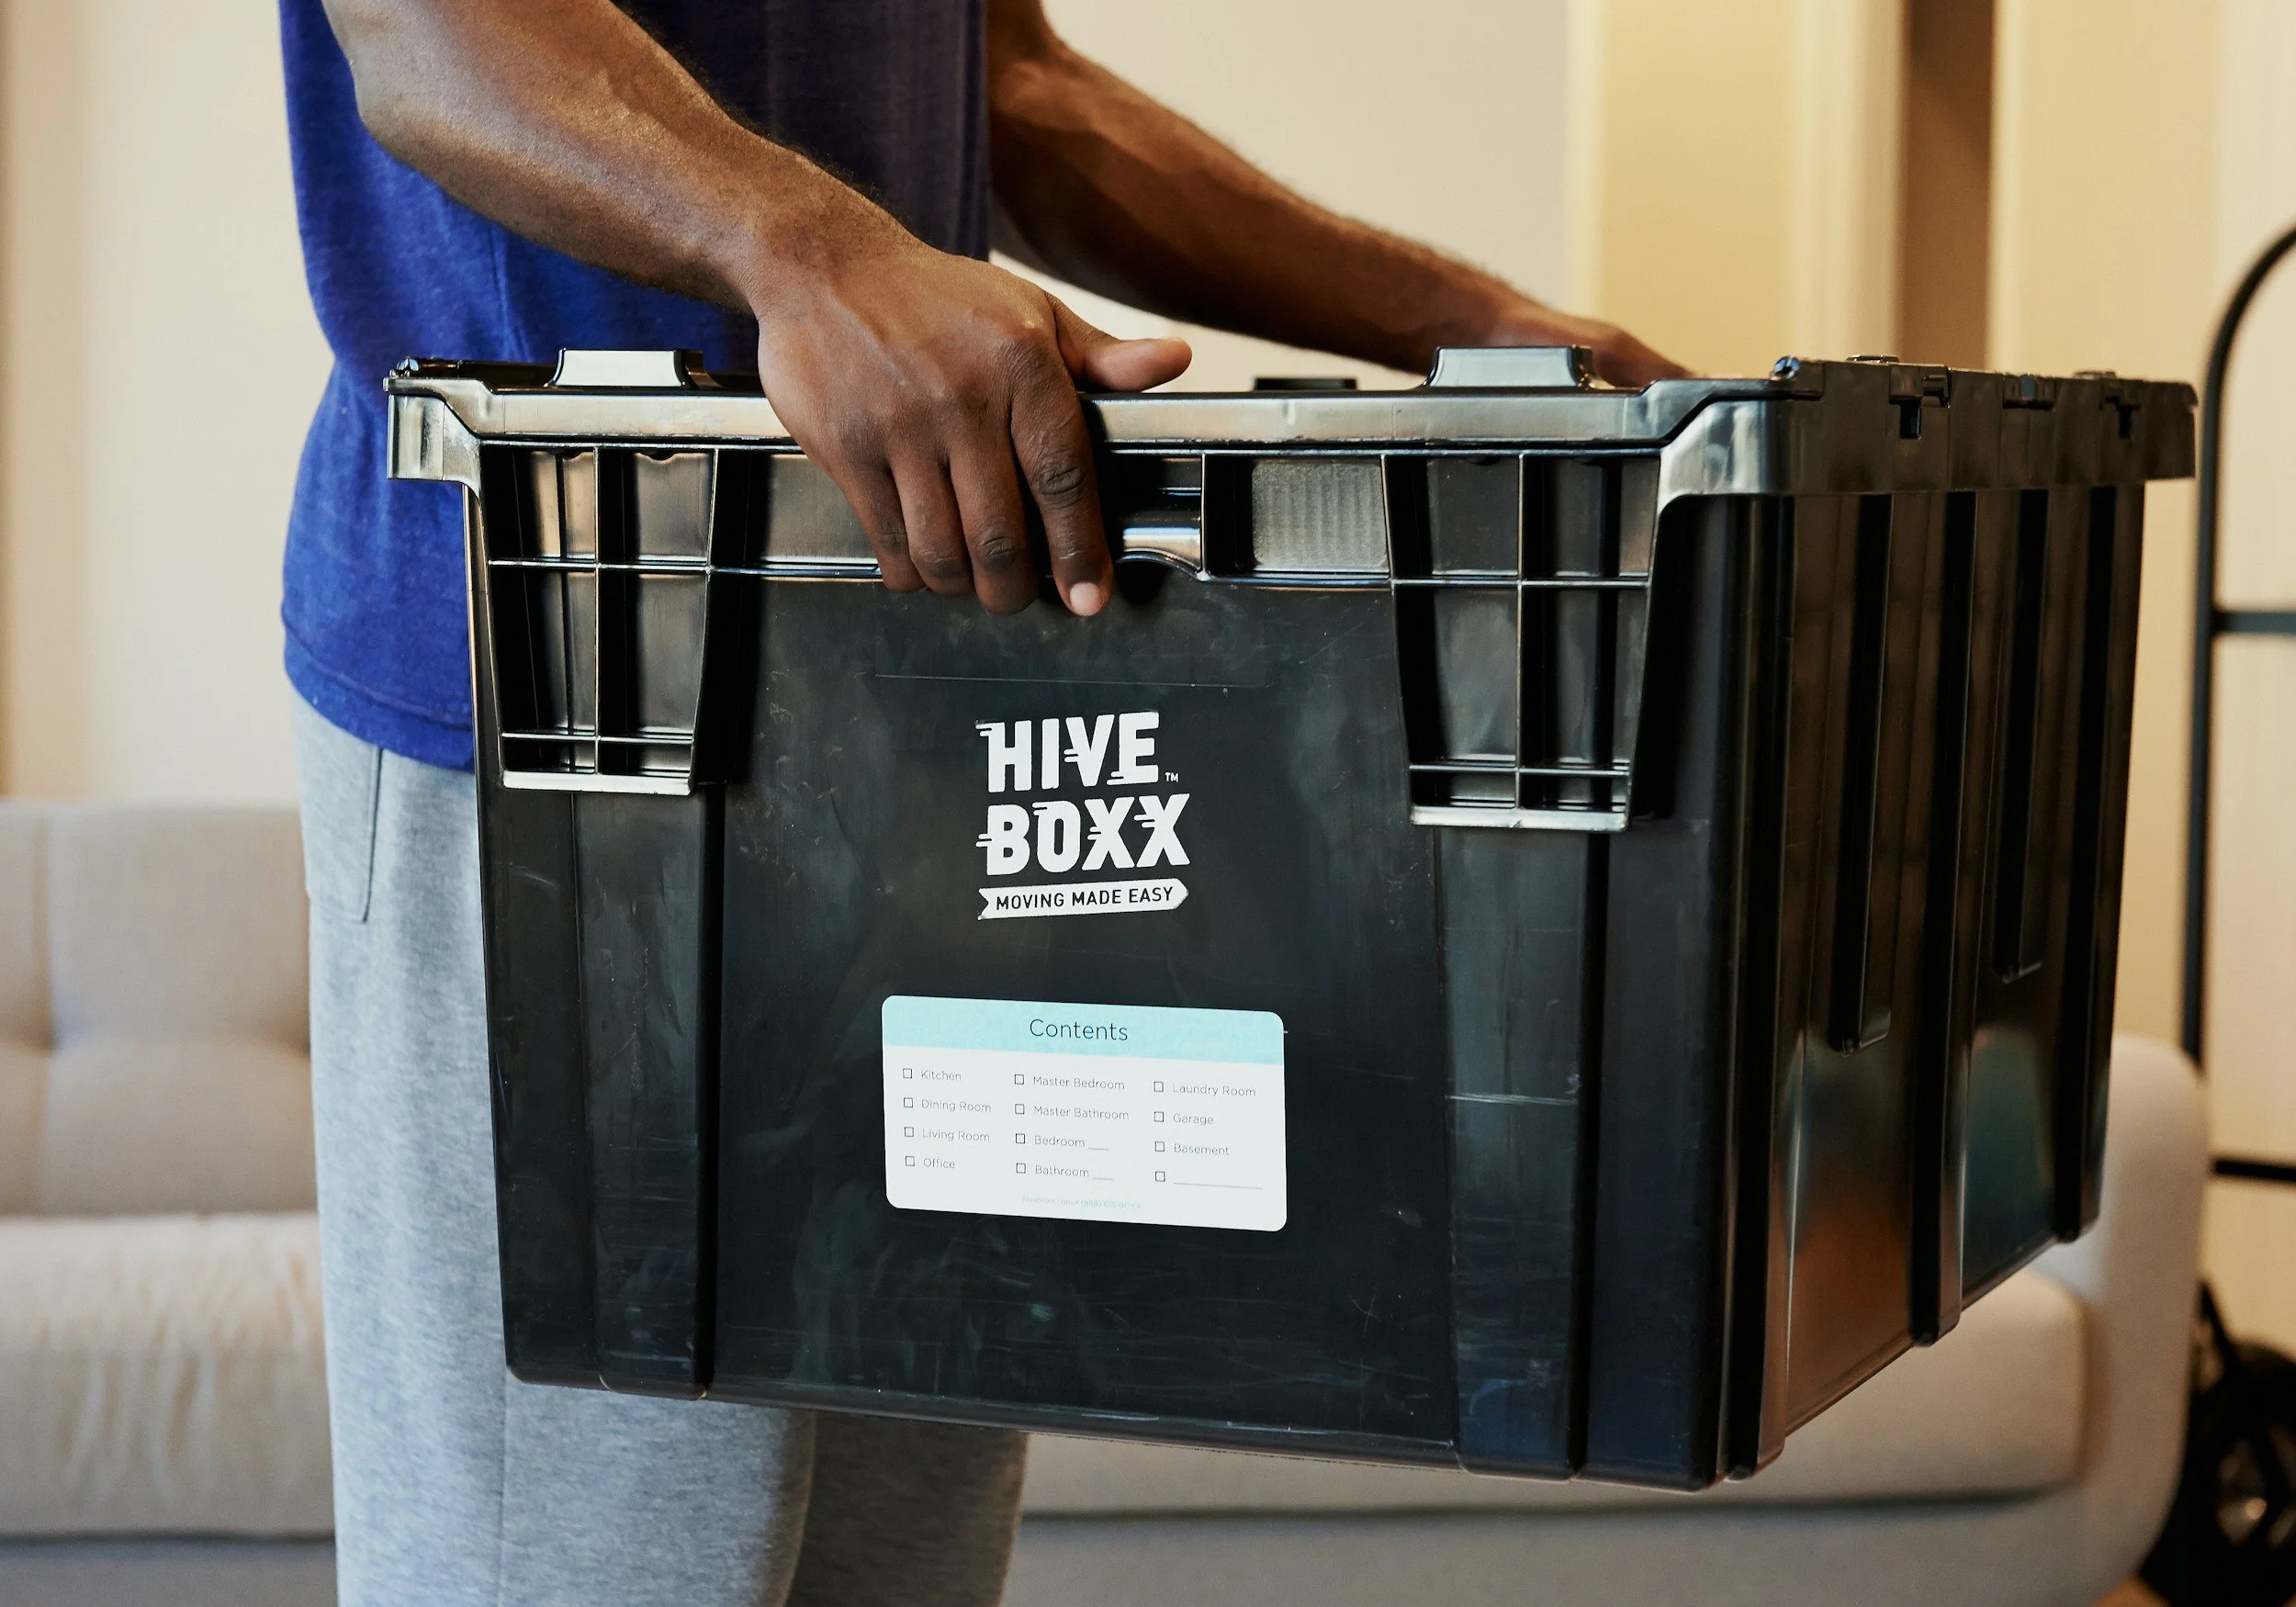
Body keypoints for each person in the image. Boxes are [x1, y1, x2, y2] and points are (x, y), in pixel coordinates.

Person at [279, 2, 1684, 1602]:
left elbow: (1008, 81)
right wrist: (815, 255)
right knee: (614, 1563)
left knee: (900, 1556)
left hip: (909, 676)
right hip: (570, 692)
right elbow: (428, 37)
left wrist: (1480, 323)